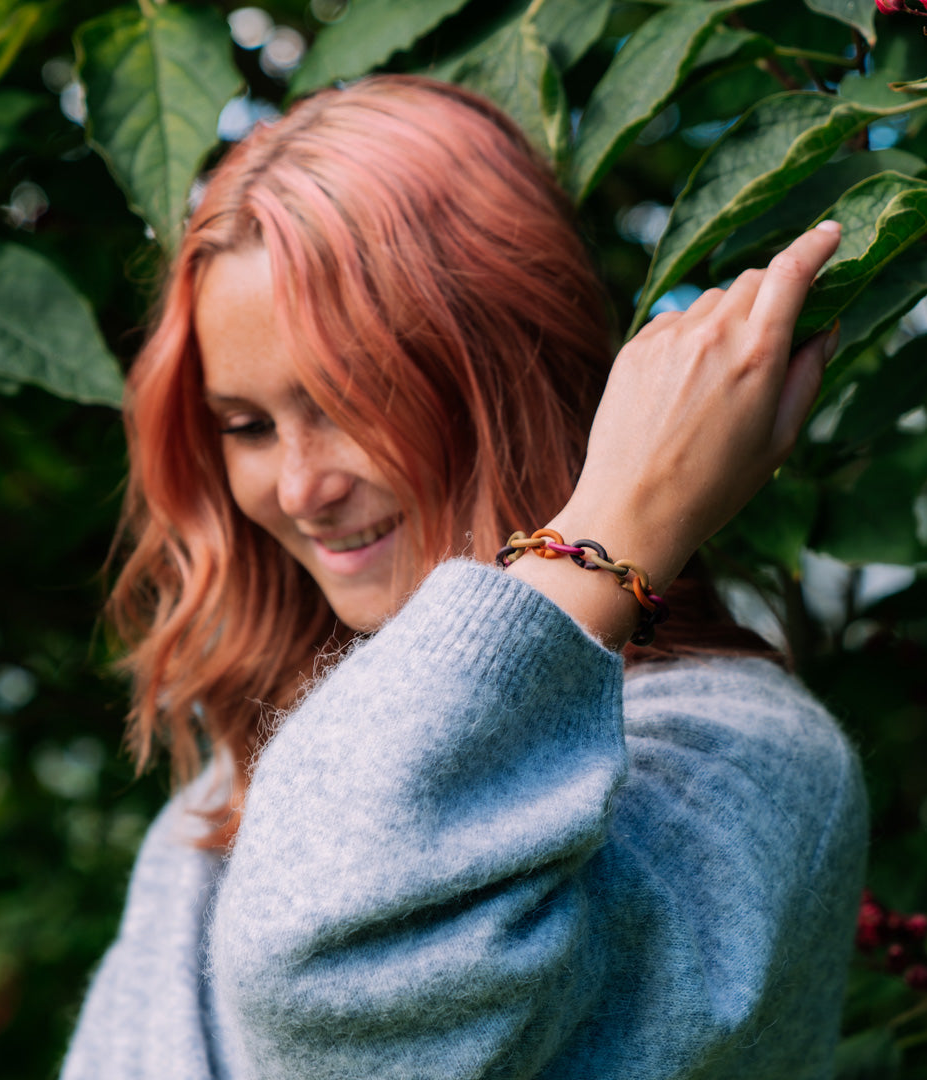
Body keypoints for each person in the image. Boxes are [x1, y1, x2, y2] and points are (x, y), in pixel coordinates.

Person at [61, 75, 866, 1080]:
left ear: (504, 373)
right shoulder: (226, 790)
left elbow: (330, 984)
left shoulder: (744, 760)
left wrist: (618, 525)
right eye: (248, 427)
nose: (303, 486)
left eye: (354, 396)